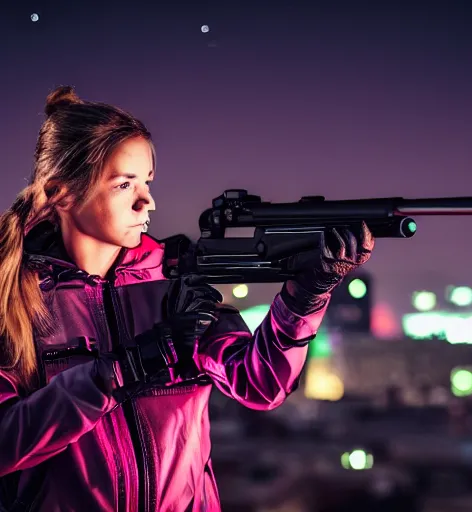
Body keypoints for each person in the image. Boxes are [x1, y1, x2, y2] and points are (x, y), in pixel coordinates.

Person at [0, 86, 374, 512]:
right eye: (124, 184)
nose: (147, 201)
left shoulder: (175, 282)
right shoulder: (15, 300)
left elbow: (261, 383)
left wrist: (307, 296)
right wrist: (124, 368)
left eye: (147, 181)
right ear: (60, 193)